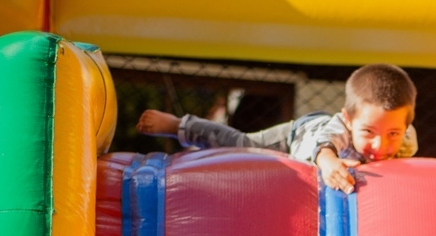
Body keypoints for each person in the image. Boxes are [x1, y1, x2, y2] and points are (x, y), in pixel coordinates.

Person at [136, 64, 417, 193]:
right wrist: (328, 161)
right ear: (349, 119)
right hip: (300, 136)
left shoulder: (406, 141)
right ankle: (178, 125)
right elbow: (325, 142)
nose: (380, 146)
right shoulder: (338, 127)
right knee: (243, 145)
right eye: (368, 132)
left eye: (392, 133)